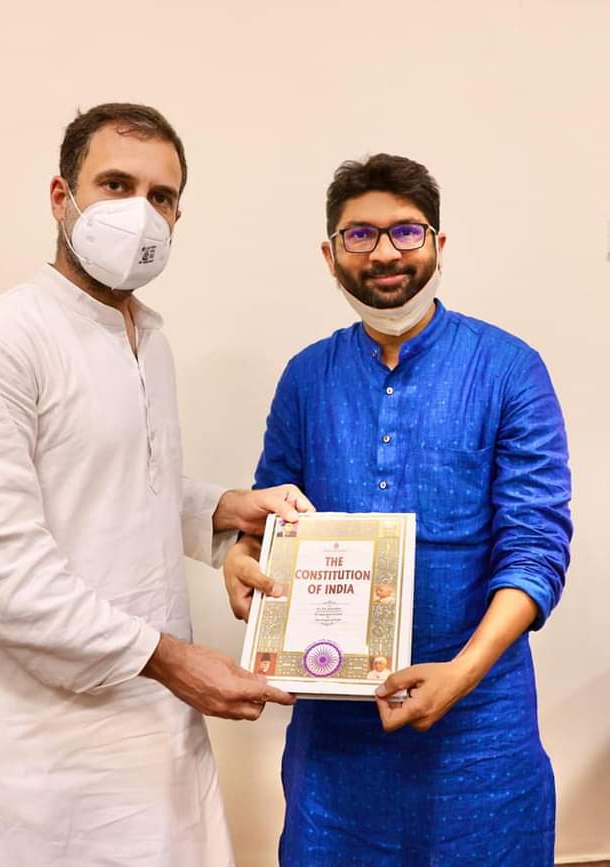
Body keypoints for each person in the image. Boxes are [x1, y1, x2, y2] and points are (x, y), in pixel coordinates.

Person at [0, 103, 312, 867]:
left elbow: (122, 481)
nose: (140, 214)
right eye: (116, 184)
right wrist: (167, 658)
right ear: (62, 197)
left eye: (161, 197)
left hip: (158, 734)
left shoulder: (146, 338)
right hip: (53, 754)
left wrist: (220, 510)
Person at [224, 153, 571, 866]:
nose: (384, 252)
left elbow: (536, 548)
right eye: (359, 235)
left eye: (406, 232)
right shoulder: (306, 378)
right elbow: (270, 515)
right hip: (336, 743)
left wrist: (461, 671)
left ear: (438, 245)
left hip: (481, 731)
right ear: (330, 255)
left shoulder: (509, 368)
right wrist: (242, 556)